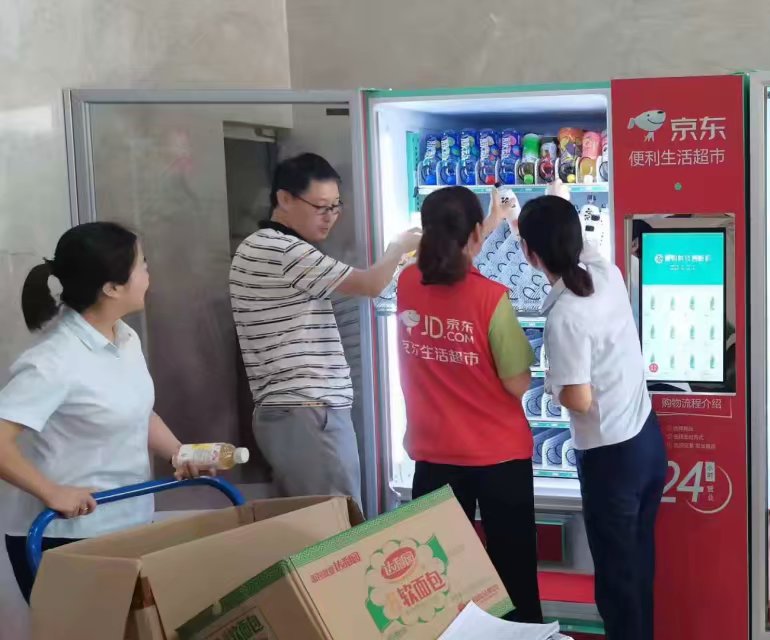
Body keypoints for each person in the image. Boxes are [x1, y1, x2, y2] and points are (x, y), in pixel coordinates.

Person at [0, 222, 208, 602]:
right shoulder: (54, 360)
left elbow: (138, 413)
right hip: (65, 537)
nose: (149, 274)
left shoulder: (124, 337)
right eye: (142, 265)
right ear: (112, 287)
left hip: (130, 522)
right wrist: (52, 492)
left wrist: (180, 453)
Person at [513, 186, 667, 640]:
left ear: (530, 254)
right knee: (637, 566)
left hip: (609, 459)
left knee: (617, 583)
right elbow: (570, 241)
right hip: (645, 441)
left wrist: (549, 381)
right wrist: (545, 205)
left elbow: (578, 399)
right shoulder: (606, 272)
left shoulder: (565, 317)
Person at [229, 153, 420, 503]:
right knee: (337, 522)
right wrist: (398, 248)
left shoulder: (261, 246)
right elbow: (369, 284)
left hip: (293, 412)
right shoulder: (283, 250)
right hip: (308, 411)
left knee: (316, 520)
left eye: (335, 206)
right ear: (284, 198)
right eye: (320, 207)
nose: (330, 216)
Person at [394, 186, 543, 622]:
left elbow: (445, 264)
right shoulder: (490, 298)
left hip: (432, 455)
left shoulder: (407, 283)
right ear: (476, 234)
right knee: (513, 576)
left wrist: (488, 221)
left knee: (438, 582)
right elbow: (517, 383)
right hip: (498, 457)